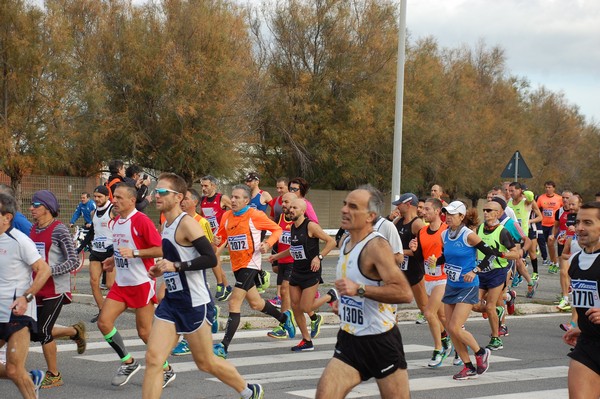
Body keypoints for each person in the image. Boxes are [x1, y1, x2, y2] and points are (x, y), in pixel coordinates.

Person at [142, 173, 264, 399]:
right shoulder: (166, 225)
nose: (156, 196)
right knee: (153, 360)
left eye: (161, 192)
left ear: (178, 197)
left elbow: (210, 258)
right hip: (171, 303)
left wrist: (176, 265)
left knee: (206, 362)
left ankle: (248, 390)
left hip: (194, 303)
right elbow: (173, 258)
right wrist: (161, 268)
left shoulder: (187, 224)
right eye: (155, 192)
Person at [315, 185, 413, 399]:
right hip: (350, 340)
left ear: (370, 216)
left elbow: (404, 293)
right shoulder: (345, 242)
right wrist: (344, 306)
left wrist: (359, 290)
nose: (344, 210)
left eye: (353, 206)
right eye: (344, 204)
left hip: (380, 341)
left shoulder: (376, 246)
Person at [96, 184, 172, 387]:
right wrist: (114, 258)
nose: (115, 201)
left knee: (144, 332)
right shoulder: (115, 222)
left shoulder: (142, 220)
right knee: (103, 322)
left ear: (132, 200)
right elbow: (125, 248)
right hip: (121, 283)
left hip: (141, 282)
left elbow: (160, 249)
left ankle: (166, 369)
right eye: (115, 197)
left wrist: (136, 253)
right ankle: (128, 362)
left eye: (120, 197)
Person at [212, 184, 294, 359]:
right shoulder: (226, 216)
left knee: (234, 302)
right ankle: (285, 319)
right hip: (237, 265)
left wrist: (268, 243)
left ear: (246, 200)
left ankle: (223, 347)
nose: (232, 200)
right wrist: (217, 239)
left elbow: (277, 229)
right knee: (256, 304)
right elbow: (221, 237)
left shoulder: (255, 215)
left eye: (237, 198)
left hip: (251, 264)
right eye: (232, 197)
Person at [28, 190, 87, 388]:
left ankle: (54, 374)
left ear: (47, 207)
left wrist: (49, 270)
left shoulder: (58, 230)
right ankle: (75, 332)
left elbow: (73, 260)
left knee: (43, 330)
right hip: (37, 288)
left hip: (56, 289)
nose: (31, 208)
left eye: (35, 205)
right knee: (35, 332)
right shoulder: (33, 230)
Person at [0, 192, 51, 399]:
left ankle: (28, 385)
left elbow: (44, 269)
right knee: (14, 371)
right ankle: (30, 377)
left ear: (7, 217)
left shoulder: (20, 240)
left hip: (18, 312)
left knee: (13, 369)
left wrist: (26, 297)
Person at [268, 197, 337, 350]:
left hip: (311, 272)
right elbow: (293, 249)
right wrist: (276, 257)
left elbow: (331, 242)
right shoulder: (293, 227)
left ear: (303, 211)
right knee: (295, 307)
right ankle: (307, 341)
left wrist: (319, 257)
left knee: (306, 307)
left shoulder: (311, 226)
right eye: (290, 207)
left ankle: (330, 295)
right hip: (297, 271)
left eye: (295, 208)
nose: (291, 210)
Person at [440, 201, 493, 380]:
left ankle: (481, 352)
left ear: (461, 217)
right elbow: (445, 256)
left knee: (455, 326)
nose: (447, 217)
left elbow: (490, 254)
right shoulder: (444, 235)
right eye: (446, 214)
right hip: (451, 285)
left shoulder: (468, 235)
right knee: (450, 328)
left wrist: (475, 270)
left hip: (468, 286)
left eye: (452, 214)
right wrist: (436, 261)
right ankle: (468, 366)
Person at [171, 188, 219, 356]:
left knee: (196, 296)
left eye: (187, 198)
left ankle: (190, 337)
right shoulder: (172, 221)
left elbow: (210, 251)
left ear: (195, 202)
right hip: (175, 273)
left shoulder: (201, 222)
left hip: (193, 269)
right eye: (181, 198)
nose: (182, 201)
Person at [562, 202, 600, 399]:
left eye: (587, 222)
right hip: (589, 344)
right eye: (577, 222)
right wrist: (583, 326)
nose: (579, 228)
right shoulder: (575, 261)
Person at [409, 198, 452, 367]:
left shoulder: (446, 230)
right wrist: (414, 250)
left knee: (428, 313)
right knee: (441, 316)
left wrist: (440, 261)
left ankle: (438, 349)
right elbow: (421, 258)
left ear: (437, 211)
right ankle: (454, 342)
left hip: (443, 278)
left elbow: (453, 253)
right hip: (429, 278)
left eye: (427, 209)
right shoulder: (422, 232)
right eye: (422, 209)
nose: (423, 212)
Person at [473, 200, 519, 351]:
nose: (485, 212)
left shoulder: (502, 231)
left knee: (491, 305)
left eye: (489, 210)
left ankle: (496, 338)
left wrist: (500, 254)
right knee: (474, 304)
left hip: (497, 273)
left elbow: (516, 253)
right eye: (484, 210)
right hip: (481, 272)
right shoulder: (478, 229)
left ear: (498, 213)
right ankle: (498, 311)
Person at [76, 186, 116, 323]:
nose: (97, 199)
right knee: (93, 281)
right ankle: (102, 310)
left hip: (110, 251)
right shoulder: (94, 212)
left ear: (107, 197)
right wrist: (80, 247)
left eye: (100, 196)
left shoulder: (113, 210)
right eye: (95, 196)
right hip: (96, 251)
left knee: (110, 285)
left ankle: (114, 308)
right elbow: (92, 232)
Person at [393, 193, 428, 326]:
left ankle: (444, 336)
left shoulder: (418, 224)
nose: (397, 207)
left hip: (415, 271)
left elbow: (423, 251)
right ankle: (391, 338)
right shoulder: (397, 221)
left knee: (425, 309)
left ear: (408, 205)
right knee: (391, 308)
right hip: (399, 272)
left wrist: (401, 252)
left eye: (399, 204)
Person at [200, 175, 233, 301]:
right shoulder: (202, 200)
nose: (203, 188)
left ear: (213, 186)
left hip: (222, 234)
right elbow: (203, 218)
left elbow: (235, 209)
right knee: (216, 261)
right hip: (210, 235)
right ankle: (227, 286)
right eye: (202, 185)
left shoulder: (222, 198)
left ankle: (220, 285)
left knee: (213, 257)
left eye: (206, 185)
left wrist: (231, 226)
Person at [266, 193, 297, 320]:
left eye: (286, 202)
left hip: (294, 261)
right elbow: (276, 236)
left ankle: (285, 321)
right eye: (282, 202)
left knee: (284, 290)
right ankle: (312, 317)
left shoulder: (299, 220)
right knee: (289, 294)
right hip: (282, 260)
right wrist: (273, 253)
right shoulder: (280, 218)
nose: (282, 204)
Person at [537, 180, 563, 270]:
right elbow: (536, 209)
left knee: (550, 242)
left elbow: (563, 210)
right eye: (546, 187)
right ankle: (553, 261)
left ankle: (554, 262)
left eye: (549, 187)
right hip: (543, 224)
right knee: (546, 244)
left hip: (554, 224)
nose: (547, 189)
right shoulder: (541, 198)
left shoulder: (559, 198)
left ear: (554, 188)